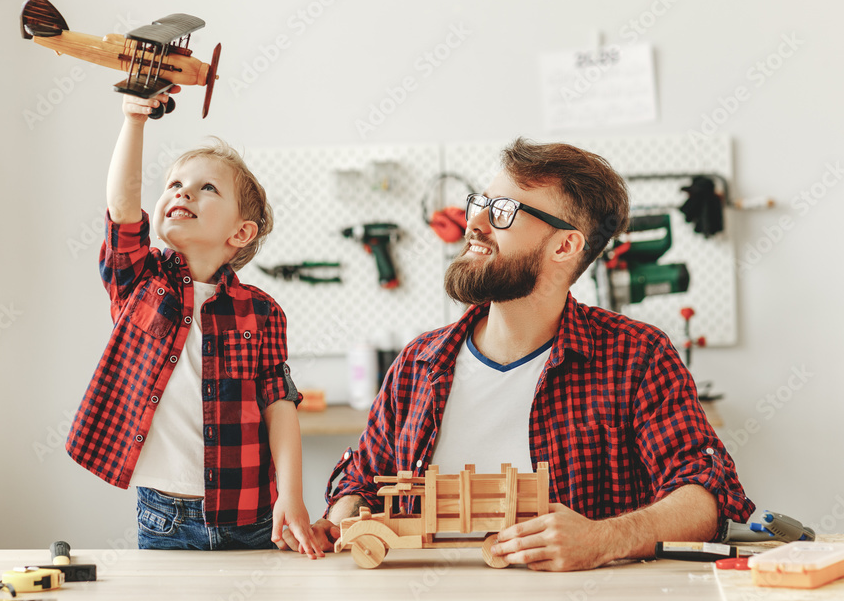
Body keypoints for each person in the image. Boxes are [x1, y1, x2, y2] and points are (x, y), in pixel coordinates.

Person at [298, 138, 754, 571]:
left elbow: (705, 497)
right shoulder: (420, 361)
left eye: (503, 212)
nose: (474, 223)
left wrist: (603, 539)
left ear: (564, 245)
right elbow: (362, 482)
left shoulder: (637, 357)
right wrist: (336, 522)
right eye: (482, 203)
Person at [67, 87, 321, 557]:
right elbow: (122, 211)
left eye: (207, 187)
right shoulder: (141, 282)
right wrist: (134, 120)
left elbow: (279, 405)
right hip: (163, 515)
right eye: (175, 184)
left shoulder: (262, 312)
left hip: (253, 516)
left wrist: (292, 495)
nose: (183, 191)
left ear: (240, 233)